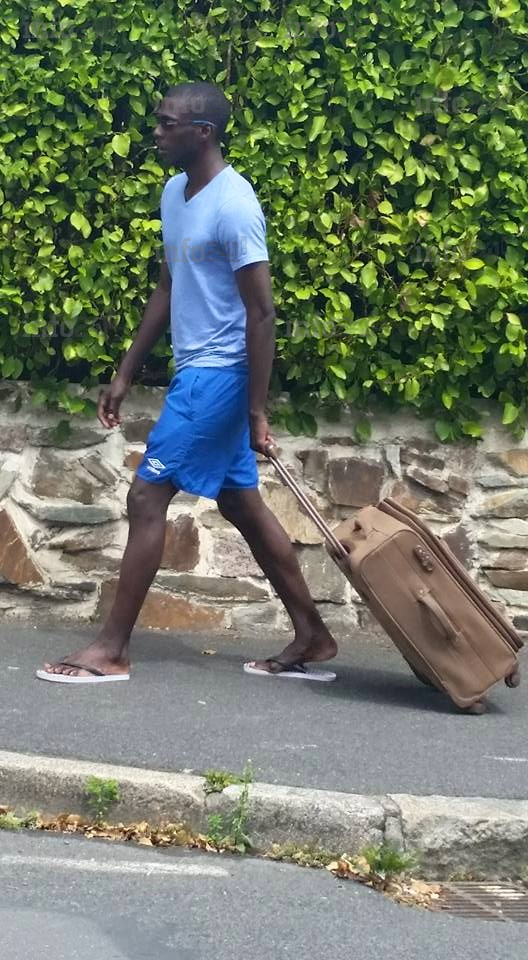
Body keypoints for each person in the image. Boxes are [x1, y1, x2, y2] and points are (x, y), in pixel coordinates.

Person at [37, 81, 337, 684]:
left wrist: (255, 411)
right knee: (240, 503)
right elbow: (169, 285)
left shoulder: (235, 207)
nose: (156, 132)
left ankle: (112, 650)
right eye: (158, 121)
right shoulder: (175, 194)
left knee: (147, 497)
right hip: (194, 368)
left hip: (218, 375)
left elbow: (262, 314)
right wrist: (126, 371)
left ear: (204, 133)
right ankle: (313, 634)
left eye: (167, 124)